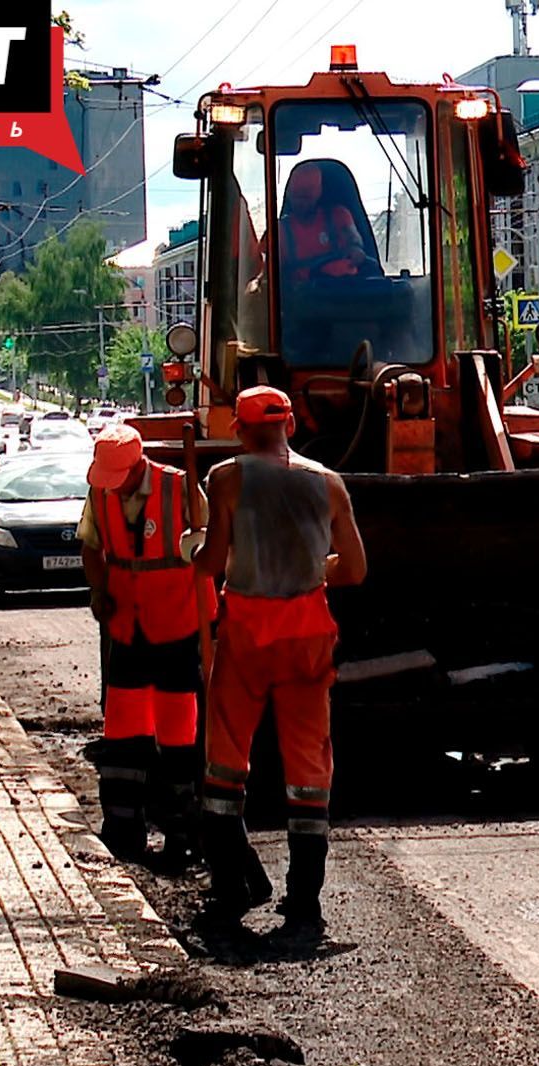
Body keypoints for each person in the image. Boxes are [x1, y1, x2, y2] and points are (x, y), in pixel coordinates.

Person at [190, 386, 367, 938]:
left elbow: (211, 563)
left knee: (226, 756)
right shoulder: (328, 482)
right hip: (308, 634)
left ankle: (229, 888)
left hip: (247, 631)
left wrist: (189, 547)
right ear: (291, 424)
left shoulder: (225, 478)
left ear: (240, 429)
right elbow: (355, 569)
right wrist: (312, 567)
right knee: (309, 766)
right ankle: (304, 904)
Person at [80, 425, 216, 867]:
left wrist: (203, 550)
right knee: (122, 731)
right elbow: (91, 547)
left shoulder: (179, 488)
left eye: (118, 476)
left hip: (177, 624)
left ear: (138, 464)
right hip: (127, 626)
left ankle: (181, 831)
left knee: (180, 733)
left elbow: (213, 544)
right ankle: (122, 826)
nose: (112, 486)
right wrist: (98, 590)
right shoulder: (99, 493)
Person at [278, 162, 369, 282]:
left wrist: (355, 249)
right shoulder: (280, 231)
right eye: (296, 196)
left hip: (346, 290)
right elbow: (266, 275)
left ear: (317, 194)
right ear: (289, 195)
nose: (300, 203)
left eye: (306, 197)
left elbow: (353, 239)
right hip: (303, 297)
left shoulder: (339, 216)